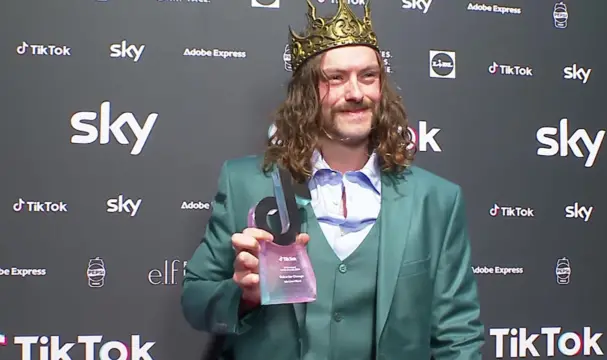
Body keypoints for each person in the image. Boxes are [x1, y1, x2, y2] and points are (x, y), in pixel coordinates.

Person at [181, 0, 484, 359]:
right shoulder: (246, 182)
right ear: (307, 94)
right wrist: (242, 296)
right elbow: (195, 300)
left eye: (368, 76)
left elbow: (457, 336)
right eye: (335, 78)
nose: (355, 93)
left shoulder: (436, 200)